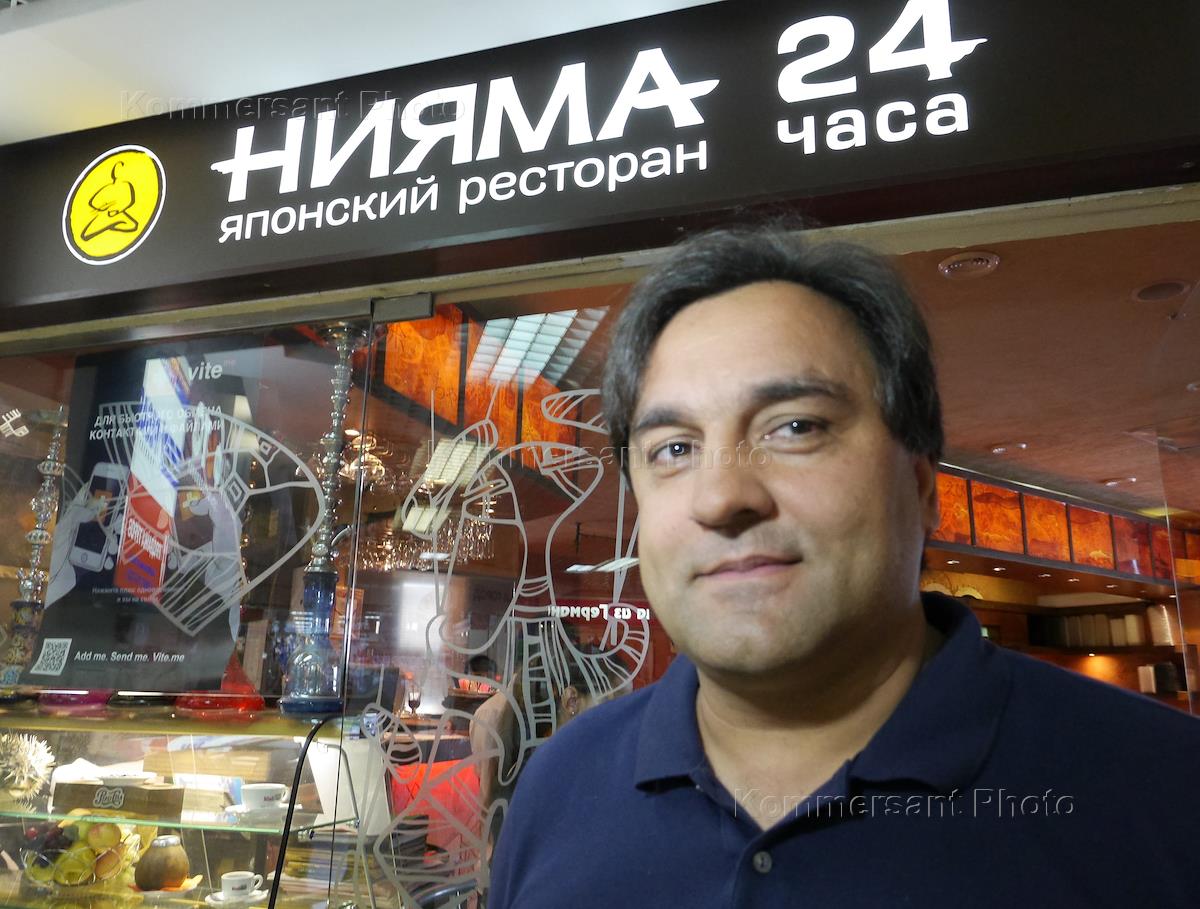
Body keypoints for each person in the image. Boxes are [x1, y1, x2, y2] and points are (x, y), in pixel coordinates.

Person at [487, 225, 1200, 907]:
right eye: (674, 448)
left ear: (922, 487)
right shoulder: (560, 784)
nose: (721, 496)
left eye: (796, 427)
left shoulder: (1159, 787)